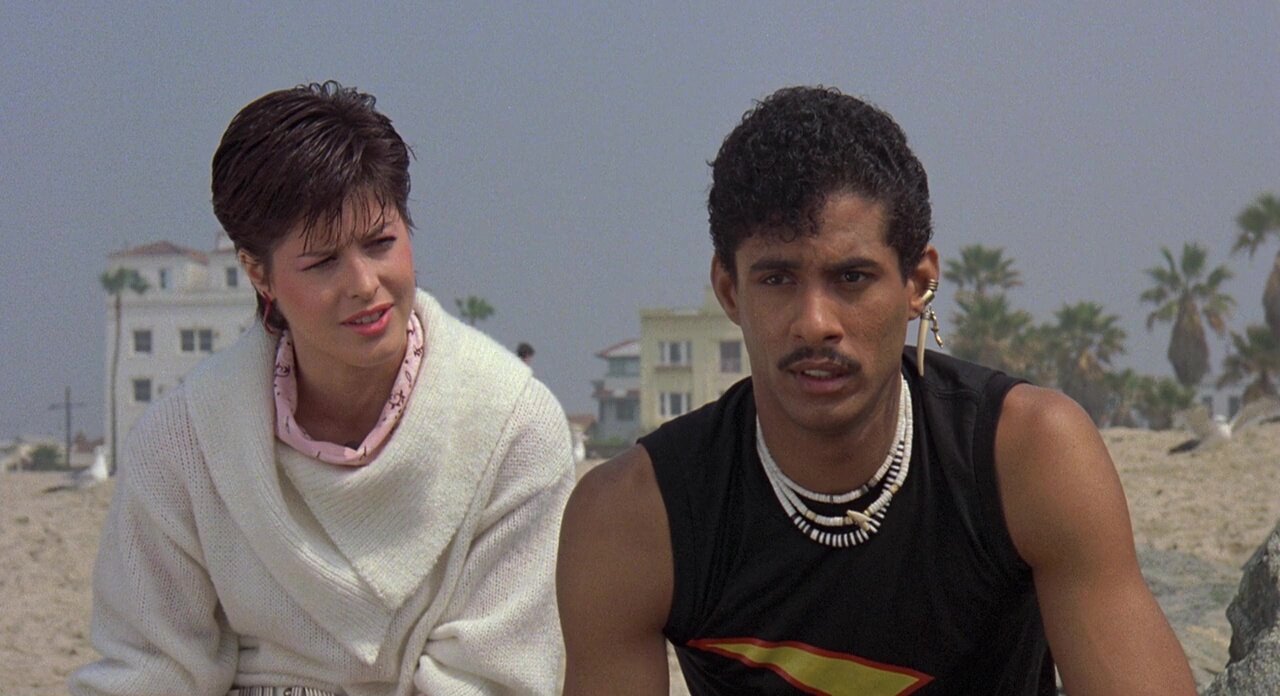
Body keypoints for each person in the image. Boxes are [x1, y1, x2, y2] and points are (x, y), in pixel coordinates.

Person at [557, 86, 1196, 695]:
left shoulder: (1026, 455)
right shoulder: (638, 515)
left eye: (852, 278)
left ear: (917, 283)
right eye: (777, 279)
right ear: (730, 290)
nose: (815, 323)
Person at [71, 81, 575, 696]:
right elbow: (148, 670)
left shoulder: (511, 427)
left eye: (380, 243)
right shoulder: (184, 443)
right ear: (258, 273)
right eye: (322, 262)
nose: (363, 284)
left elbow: (495, 677)